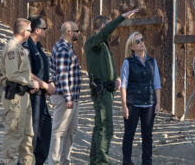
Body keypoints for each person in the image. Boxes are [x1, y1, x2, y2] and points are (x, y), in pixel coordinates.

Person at [85, 9, 138, 165]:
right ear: (102, 26)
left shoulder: (102, 45)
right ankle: (101, 161)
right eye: (108, 26)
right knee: (106, 127)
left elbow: (106, 64)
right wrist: (121, 18)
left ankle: (95, 160)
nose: (110, 30)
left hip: (107, 89)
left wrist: (115, 76)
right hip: (100, 90)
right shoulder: (93, 41)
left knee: (99, 126)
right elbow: (104, 33)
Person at [1, 18, 40, 165]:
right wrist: (31, 82)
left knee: (27, 136)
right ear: (24, 32)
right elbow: (12, 75)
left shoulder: (20, 48)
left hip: (23, 96)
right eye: (30, 30)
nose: (31, 33)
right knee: (14, 135)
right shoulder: (12, 48)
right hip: (15, 97)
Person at [120, 32, 161, 165]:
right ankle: (127, 161)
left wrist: (158, 103)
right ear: (132, 47)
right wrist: (124, 105)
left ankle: (147, 162)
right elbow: (123, 85)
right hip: (132, 103)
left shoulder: (152, 61)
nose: (141, 43)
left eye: (142, 40)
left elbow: (157, 84)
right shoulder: (127, 62)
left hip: (149, 103)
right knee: (129, 134)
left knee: (147, 136)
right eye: (137, 41)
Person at [22, 16, 55, 165]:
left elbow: (42, 70)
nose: (46, 31)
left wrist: (48, 83)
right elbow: (27, 72)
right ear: (36, 30)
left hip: (41, 97)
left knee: (45, 133)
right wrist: (46, 86)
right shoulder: (26, 46)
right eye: (44, 28)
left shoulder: (39, 47)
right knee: (32, 140)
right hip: (31, 97)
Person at [48, 21, 81, 165]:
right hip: (64, 97)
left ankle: (64, 161)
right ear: (69, 32)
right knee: (59, 132)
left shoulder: (68, 48)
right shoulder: (62, 49)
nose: (78, 33)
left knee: (71, 130)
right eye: (77, 30)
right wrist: (68, 97)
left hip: (71, 97)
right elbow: (62, 76)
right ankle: (54, 162)